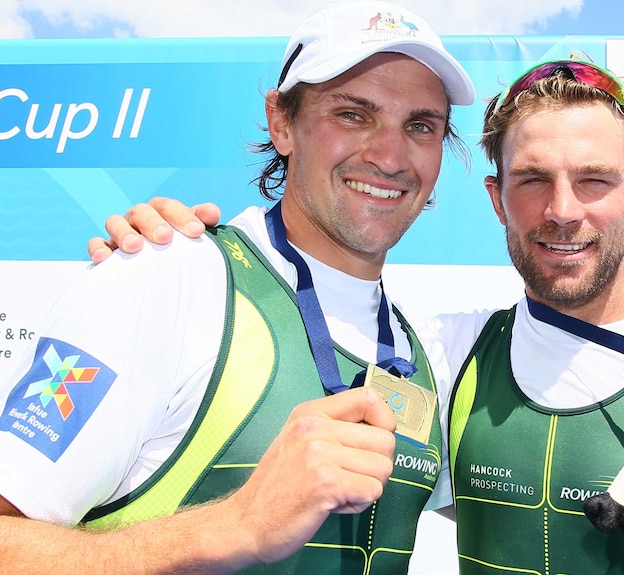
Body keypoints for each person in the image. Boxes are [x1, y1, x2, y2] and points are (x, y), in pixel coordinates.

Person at [90, 61, 624, 573]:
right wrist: (176, 254)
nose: (562, 212)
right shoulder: (438, 355)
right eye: (532, 180)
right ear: (496, 199)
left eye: (594, 180)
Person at [0, 1, 475, 573]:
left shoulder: (423, 352)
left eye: (421, 126)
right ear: (281, 123)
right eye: (352, 114)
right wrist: (237, 524)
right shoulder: (160, 279)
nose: (391, 155)